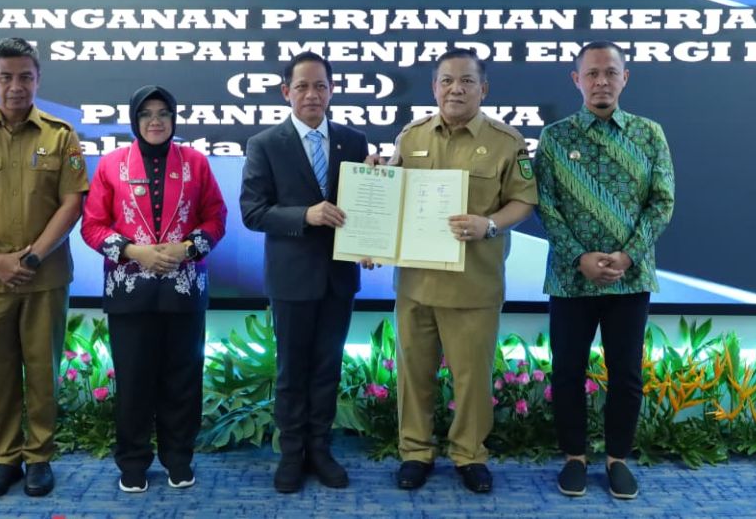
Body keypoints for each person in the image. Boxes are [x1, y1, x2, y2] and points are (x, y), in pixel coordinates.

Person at [0, 37, 89, 499]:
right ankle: (4, 459)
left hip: (44, 276)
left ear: (38, 79)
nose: (15, 86)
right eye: (5, 77)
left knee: (43, 371)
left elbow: (72, 204)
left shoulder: (60, 135)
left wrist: (32, 257)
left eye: (25, 76)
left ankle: (39, 458)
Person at [388, 48, 537, 494]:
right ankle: (415, 452)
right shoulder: (410, 136)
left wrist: (488, 224)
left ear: (483, 89)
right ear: (435, 87)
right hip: (416, 283)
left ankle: (469, 454)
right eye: (447, 81)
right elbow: (389, 197)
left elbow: (524, 200)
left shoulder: (507, 142)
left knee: (471, 380)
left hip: (474, 285)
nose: (456, 89)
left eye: (467, 81)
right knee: (413, 375)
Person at [534, 40, 674, 500]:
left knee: (626, 373)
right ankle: (574, 457)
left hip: (629, 279)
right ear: (576, 80)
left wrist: (628, 256)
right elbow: (545, 205)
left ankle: (617, 459)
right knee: (567, 371)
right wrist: (580, 257)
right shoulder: (555, 137)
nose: (601, 82)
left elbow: (662, 202)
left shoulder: (649, 134)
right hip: (570, 279)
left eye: (610, 73)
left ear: (624, 78)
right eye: (592, 73)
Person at [80, 85, 226, 493]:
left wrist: (187, 248)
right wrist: (134, 252)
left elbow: (216, 217)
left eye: (163, 113)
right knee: (134, 381)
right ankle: (133, 461)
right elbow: (92, 225)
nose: (155, 121)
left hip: (184, 289)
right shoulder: (111, 164)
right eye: (146, 114)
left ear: (174, 119)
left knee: (183, 380)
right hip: (130, 293)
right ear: (135, 120)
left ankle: (179, 458)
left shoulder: (195, 162)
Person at [240, 52, 369, 493]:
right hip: (291, 278)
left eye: (320, 86)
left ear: (332, 91)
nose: (312, 94)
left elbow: (365, 206)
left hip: (339, 277)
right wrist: (305, 215)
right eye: (302, 87)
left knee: (328, 367)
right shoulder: (265, 144)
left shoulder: (353, 141)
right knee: (292, 371)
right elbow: (253, 212)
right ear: (286, 92)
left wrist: (374, 238)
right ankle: (291, 452)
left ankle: (320, 449)